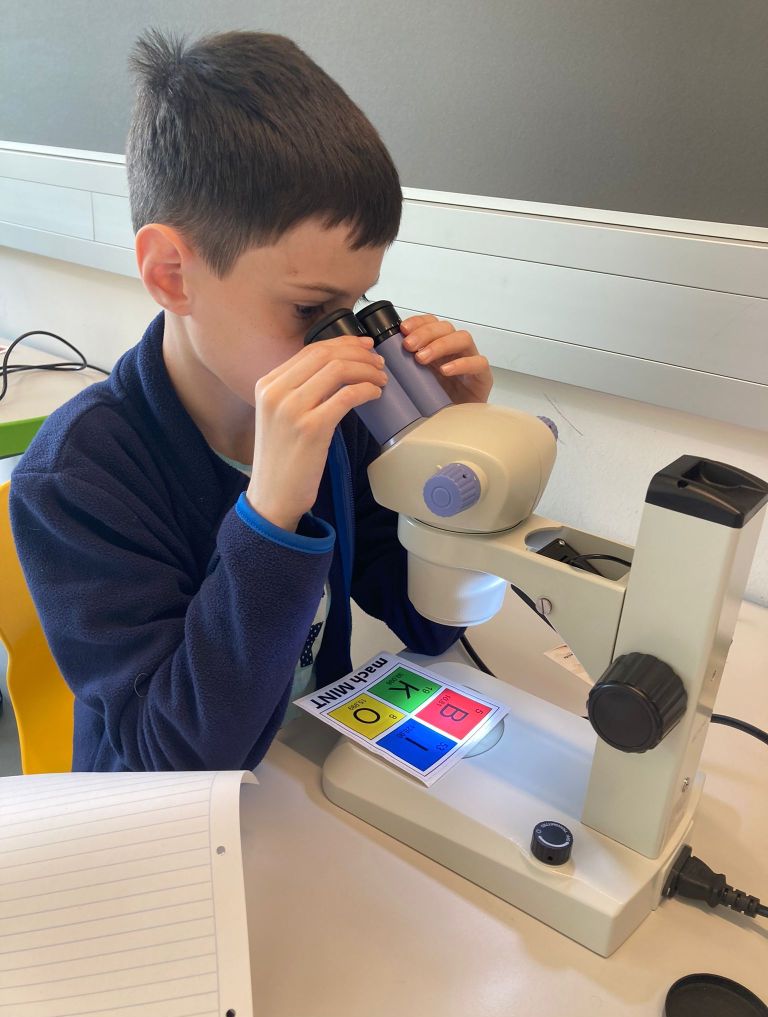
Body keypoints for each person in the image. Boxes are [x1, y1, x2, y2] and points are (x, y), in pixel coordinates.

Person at [10, 29, 492, 772]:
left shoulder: (343, 422)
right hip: (166, 810)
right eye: (310, 311)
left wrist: (452, 458)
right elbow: (175, 762)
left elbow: (429, 624)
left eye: (356, 307)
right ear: (172, 275)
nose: (347, 346)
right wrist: (272, 514)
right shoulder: (78, 478)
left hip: (299, 773)